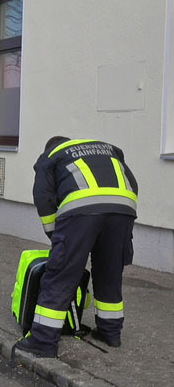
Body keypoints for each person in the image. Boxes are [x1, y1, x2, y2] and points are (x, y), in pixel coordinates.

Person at [14, 137, 138, 358]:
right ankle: (110, 333)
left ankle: (42, 341)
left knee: (61, 273)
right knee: (109, 272)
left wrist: (55, 236)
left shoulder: (49, 157)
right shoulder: (106, 149)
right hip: (124, 207)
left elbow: (43, 197)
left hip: (81, 210)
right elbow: (132, 182)